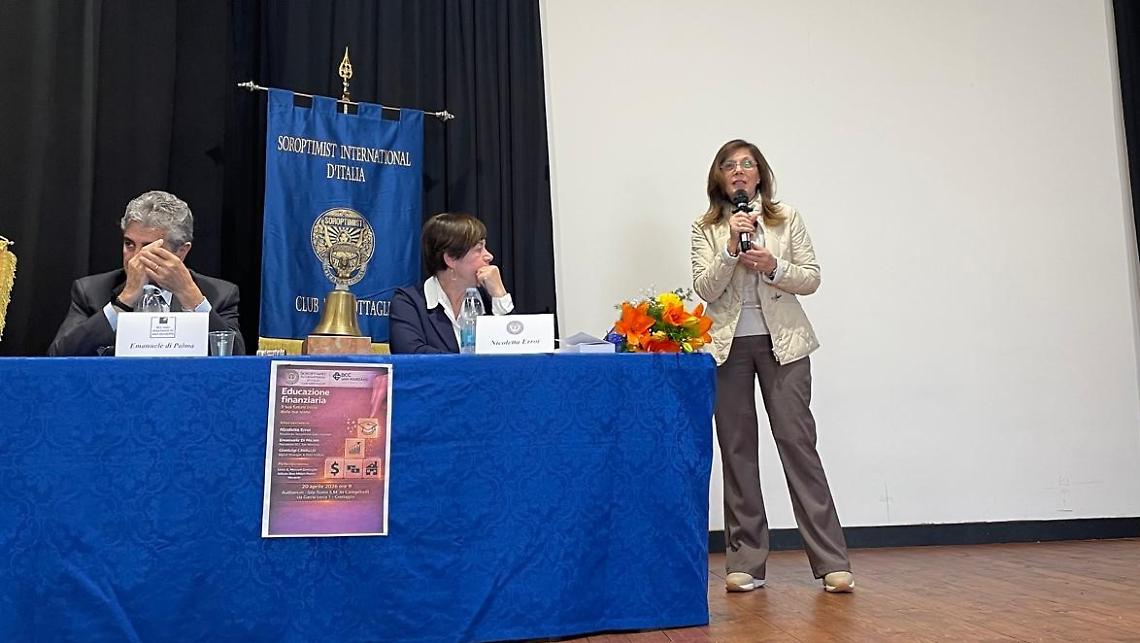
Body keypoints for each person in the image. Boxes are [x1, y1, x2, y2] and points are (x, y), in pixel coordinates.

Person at [690, 139, 853, 593]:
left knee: (798, 445)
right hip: (727, 349)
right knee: (737, 451)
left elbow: (811, 277)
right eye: (729, 165)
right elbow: (705, 288)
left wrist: (773, 265)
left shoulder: (786, 219)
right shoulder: (706, 228)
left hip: (785, 345)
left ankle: (832, 561)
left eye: (747, 164)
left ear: (760, 174)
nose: (739, 171)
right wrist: (729, 249)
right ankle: (746, 562)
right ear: (719, 177)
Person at [48, 190, 245, 356]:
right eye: (129, 244)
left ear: (181, 251)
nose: (135, 258)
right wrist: (124, 300)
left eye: (148, 247)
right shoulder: (91, 292)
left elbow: (237, 362)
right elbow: (58, 357)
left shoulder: (220, 295)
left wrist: (189, 294)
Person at [389, 212, 513, 353]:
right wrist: (474, 363)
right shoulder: (409, 303)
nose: (489, 256)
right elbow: (412, 355)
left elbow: (518, 351)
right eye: (479, 249)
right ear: (450, 259)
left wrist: (500, 295)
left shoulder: (490, 300)